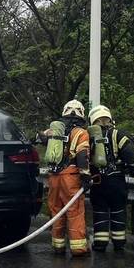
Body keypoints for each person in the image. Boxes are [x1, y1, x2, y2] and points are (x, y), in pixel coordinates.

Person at [41, 100, 91, 256]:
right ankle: (78, 249)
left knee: (56, 211)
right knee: (74, 212)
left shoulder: (53, 130)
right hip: (71, 176)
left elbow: (40, 137)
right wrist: (85, 175)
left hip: (54, 177)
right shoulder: (81, 133)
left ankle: (58, 246)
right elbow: (82, 155)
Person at [87, 105, 134, 252]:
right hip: (116, 181)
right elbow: (130, 154)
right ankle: (119, 243)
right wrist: (131, 167)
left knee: (100, 211)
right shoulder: (118, 134)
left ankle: (100, 243)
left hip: (98, 181)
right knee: (118, 210)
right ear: (109, 118)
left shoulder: (89, 136)